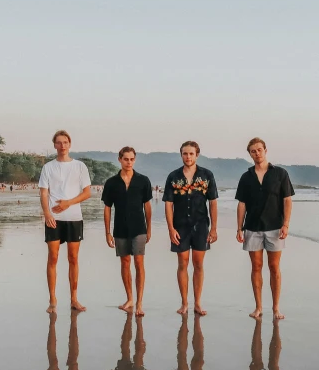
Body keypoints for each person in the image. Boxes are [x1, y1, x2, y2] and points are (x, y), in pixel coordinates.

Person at [236, 138, 294, 320]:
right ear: (250, 154)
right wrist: (239, 228)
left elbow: (287, 200)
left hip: (275, 227)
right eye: (253, 151)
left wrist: (286, 224)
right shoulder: (246, 177)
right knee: (256, 267)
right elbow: (242, 204)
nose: (257, 153)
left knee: (274, 267)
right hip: (252, 227)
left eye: (259, 150)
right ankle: (258, 307)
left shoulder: (280, 174)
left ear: (265, 150)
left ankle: (276, 308)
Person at [39, 130, 91, 313]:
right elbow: (44, 192)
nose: (62, 145)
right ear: (54, 145)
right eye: (59, 142)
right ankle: (53, 299)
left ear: (70, 144)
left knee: (73, 258)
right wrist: (47, 214)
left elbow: (87, 192)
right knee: (53, 258)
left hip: (74, 217)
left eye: (65, 142)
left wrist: (68, 203)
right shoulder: (48, 167)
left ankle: (74, 299)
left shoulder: (79, 166)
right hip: (54, 218)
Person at [163, 141, 218, 316]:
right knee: (182, 264)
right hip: (180, 227)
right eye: (185, 154)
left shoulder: (207, 175)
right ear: (181, 155)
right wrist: (171, 228)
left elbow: (213, 203)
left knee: (199, 264)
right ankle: (184, 303)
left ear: (197, 155)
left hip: (201, 225)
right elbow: (168, 204)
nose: (188, 157)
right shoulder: (173, 176)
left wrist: (214, 228)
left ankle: (198, 303)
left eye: (191, 154)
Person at [102, 147, 152, 316]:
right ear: (120, 159)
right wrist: (107, 232)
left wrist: (149, 228)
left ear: (134, 160)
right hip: (120, 228)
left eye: (131, 159)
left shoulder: (143, 181)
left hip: (139, 228)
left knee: (139, 263)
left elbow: (147, 206)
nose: (129, 162)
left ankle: (139, 303)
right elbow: (107, 208)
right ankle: (129, 298)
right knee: (125, 262)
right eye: (126, 159)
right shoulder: (111, 183)